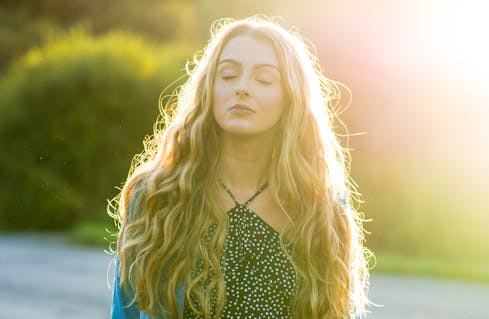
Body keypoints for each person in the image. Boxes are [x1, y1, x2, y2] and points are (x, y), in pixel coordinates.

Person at [110, 15, 370, 319]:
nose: (243, 88)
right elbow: (124, 312)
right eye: (229, 75)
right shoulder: (158, 197)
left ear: (290, 98)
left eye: (264, 79)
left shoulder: (321, 209)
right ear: (209, 89)